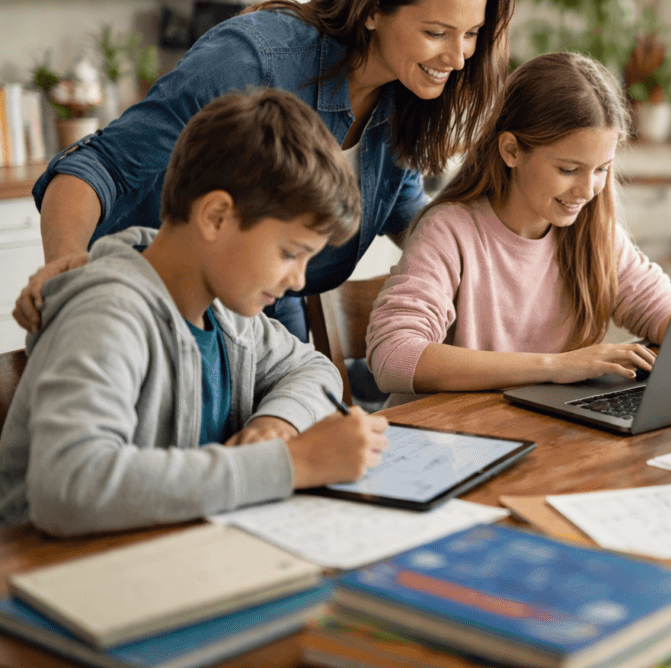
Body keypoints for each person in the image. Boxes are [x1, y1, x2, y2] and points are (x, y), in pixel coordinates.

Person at [15, 0, 514, 341]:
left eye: (471, 34)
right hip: (143, 304)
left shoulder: (405, 101)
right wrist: (65, 271)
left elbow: (414, 222)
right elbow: (96, 167)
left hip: (262, 319)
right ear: (373, 9)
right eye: (436, 32)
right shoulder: (254, 61)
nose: (458, 56)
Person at [0, 89, 389, 537]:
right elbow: (68, 487)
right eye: (289, 253)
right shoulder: (108, 316)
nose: (299, 280)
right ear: (216, 216)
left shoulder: (229, 312)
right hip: (54, 574)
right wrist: (292, 463)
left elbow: (310, 367)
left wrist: (275, 423)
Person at [364, 52, 671, 397]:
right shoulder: (449, 231)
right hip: (443, 441)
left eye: (601, 169)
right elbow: (393, 358)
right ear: (511, 150)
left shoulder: (594, 232)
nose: (587, 191)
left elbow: (669, 316)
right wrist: (555, 367)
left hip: (540, 433)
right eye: (568, 170)